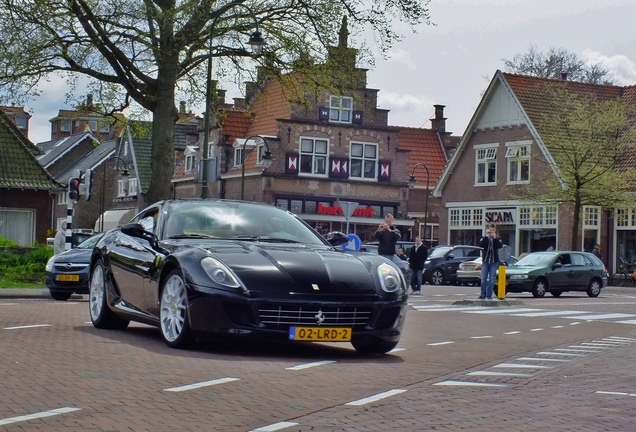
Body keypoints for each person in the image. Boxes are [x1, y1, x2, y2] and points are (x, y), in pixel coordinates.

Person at [478, 223, 503, 300]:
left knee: (492, 279)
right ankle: (483, 294)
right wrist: (486, 237)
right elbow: (481, 244)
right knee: (483, 279)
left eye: (493, 231)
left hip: (493, 262)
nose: (491, 232)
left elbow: (499, 245)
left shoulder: (498, 238)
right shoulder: (484, 238)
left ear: (495, 231)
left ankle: (489, 295)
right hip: (485, 261)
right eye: (490, 230)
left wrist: (495, 238)